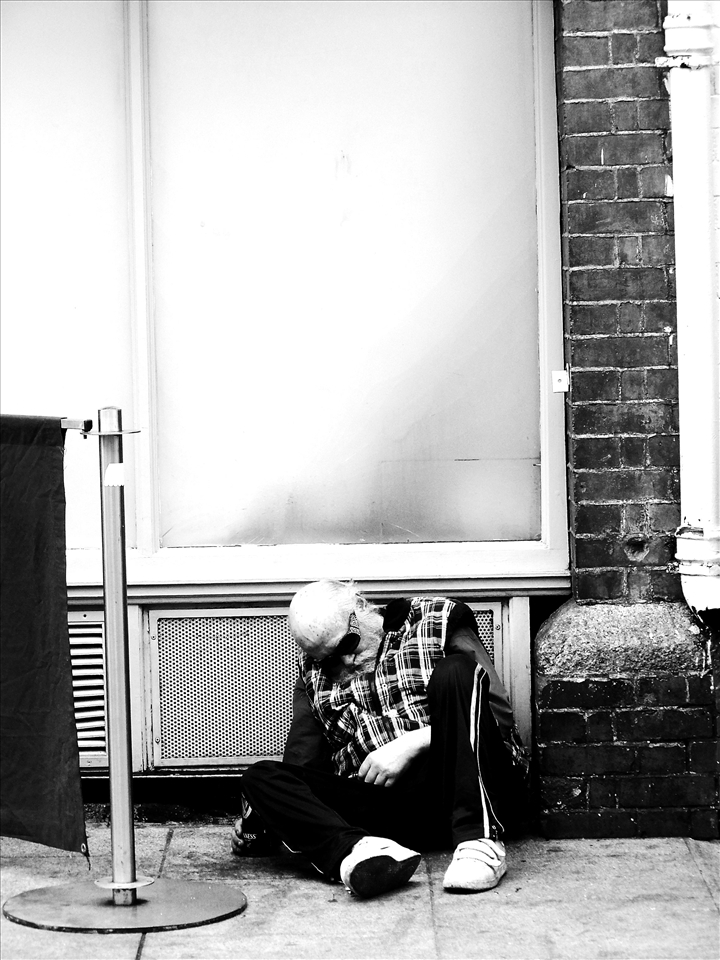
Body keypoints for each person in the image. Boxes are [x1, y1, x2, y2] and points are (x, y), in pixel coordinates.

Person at [234, 579, 529, 899]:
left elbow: (496, 722)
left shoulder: (436, 620)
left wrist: (413, 743)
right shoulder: (313, 673)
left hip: (461, 783)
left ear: (360, 606)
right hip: (386, 810)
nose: (344, 662)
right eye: (329, 660)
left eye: (347, 644)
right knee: (261, 776)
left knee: (456, 670)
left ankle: (480, 841)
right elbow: (302, 762)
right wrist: (271, 815)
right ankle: (358, 852)